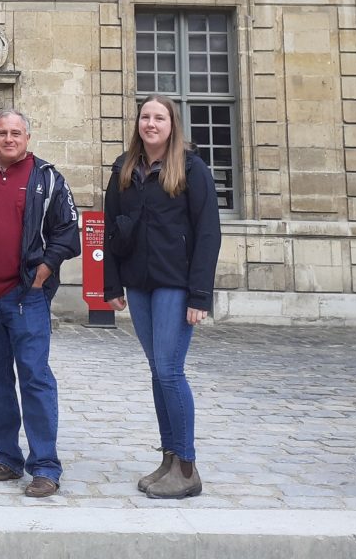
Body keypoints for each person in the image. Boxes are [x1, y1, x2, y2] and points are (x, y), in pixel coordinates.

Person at [0, 108, 80, 499]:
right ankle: (7, 457)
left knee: (35, 378)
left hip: (25, 295)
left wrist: (44, 268)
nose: (9, 139)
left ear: (28, 136)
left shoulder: (47, 178)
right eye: (2, 132)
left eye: (16, 133)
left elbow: (68, 231)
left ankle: (45, 465)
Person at [102, 95, 222, 500]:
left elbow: (208, 233)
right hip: (138, 284)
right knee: (157, 371)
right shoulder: (124, 168)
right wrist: (112, 285)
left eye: (159, 117)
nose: (151, 123)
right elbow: (111, 230)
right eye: (145, 117)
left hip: (176, 284)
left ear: (172, 124)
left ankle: (187, 467)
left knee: (170, 370)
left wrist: (199, 295)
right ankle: (170, 458)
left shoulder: (191, 168)